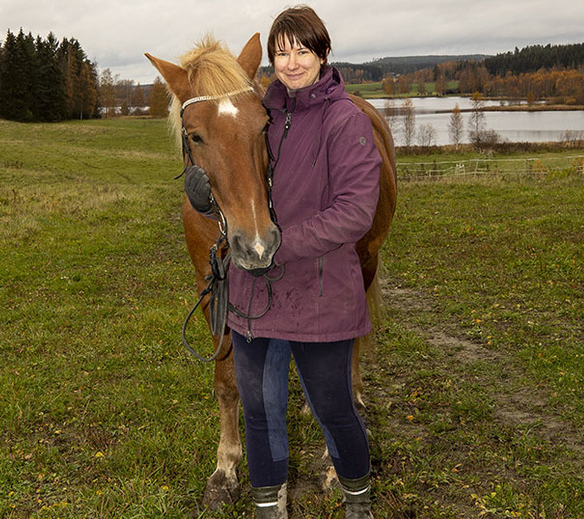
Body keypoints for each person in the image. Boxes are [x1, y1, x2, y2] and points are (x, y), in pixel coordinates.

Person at [185, 6, 381, 518]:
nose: (291, 62)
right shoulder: (258, 109)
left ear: (322, 53)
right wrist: (205, 193)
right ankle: (270, 509)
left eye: (303, 50)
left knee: (335, 409)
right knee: (260, 413)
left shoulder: (347, 121)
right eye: (281, 51)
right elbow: (226, 151)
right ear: (269, 58)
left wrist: (281, 242)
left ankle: (359, 503)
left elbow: (357, 212)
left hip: (319, 291)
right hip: (256, 295)